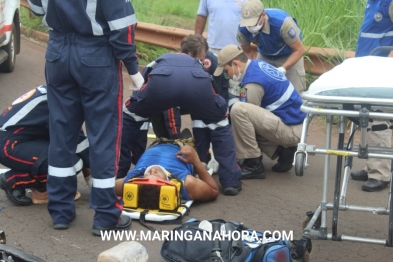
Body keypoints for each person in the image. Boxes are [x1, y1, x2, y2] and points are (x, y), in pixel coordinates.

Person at [27, 0, 141, 235]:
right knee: (103, 137)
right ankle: (106, 215)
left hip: (57, 52)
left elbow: (36, 9)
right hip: (96, 56)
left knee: (61, 135)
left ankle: (60, 210)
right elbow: (122, 26)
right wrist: (133, 69)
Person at [118, 34, 242, 196]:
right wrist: (216, 111)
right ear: (200, 53)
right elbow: (214, 89)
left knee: (130, 116)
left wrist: (143, 103)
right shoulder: (203, 64)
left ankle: (121, 172)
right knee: (219, 124)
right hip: (198, 87)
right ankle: (231, 181)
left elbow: (144, 78)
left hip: (161, 85)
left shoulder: (162, 58)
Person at [214, 44, 306, 179]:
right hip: (296, 125)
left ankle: (253, 164)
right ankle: (283, 151)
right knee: (243, 116)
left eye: (226, 71)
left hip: (292, 131)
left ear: (235, 63)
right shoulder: (257, 65)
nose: (227, 76)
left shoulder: (252, 84)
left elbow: (246, 124)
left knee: (239, 112)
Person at [0, 85, 91, 206]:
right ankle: (14, 180)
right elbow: (77, 143)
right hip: (8, 145)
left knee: (65, 154)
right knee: (71, 163)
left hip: (16, 139)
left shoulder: (58, 91)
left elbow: (76, 134)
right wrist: (101, 184)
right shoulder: (62, 102)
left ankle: (36, 185)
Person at [350, 0, 393, 192]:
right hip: (367, 66)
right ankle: (371, 167)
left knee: (378, 121)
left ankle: (380, 174)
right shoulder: (374, 1)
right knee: (367, 118)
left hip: (381, 68)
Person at [236, 0, 306, 93]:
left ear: (263, 15)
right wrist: (251, 69)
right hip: (264, 55)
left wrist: (283, 69)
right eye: (248, 23)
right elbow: (247, 51)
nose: (250, 26)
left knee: (296, 91)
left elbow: (299, 50)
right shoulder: (242, 29)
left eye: (254, 23)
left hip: (289, 54)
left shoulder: (283, 23)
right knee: (259, 87)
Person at [116, 139, 219, 202]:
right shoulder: (186, 183)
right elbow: (214, 190)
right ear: (168, 184)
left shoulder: (131, 180)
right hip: (183, 147)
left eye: (147, 175)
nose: (153, 170)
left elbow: (104, 189)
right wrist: (196, 161)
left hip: (156, 143)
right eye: (156, 176)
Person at [195, 0, 247, 104]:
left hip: (237, 51)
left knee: (239, 86)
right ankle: (213, 115)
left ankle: (238, 113)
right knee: (211, 85)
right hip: (213, 50)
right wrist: (197, 43)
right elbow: (201, 16)